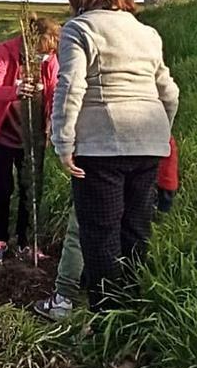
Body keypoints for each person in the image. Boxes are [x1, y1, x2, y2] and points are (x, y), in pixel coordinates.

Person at [51, 0, 179, 312]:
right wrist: (160, 132)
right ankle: (133, 310)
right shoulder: (148, 34)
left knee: (100, 234)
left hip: (102, 146)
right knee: (136, 230)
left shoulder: (79, 28)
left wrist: (62, 143)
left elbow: (71, 86)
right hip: (149, 142)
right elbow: (168, 92)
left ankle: (109, 317)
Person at [34, 137, 180, 320]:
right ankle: (125, 309)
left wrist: (64, 145)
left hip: (104, 157)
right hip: (154, 167)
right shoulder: (151, 114)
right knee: (132, 235)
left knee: (83, 230)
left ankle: (66, 299)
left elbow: (69, 109)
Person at [0, 17, 61, 262]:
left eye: (48, 54)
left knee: (30, 189)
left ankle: (27, 242)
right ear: (27, 43)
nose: (44, 58)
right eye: (39, 53)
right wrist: (15, 91)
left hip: (31, 138)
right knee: (3, 187)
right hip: (1, 135)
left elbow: (55, 91)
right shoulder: (5, 52)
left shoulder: (50, 59)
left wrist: (52, 125)